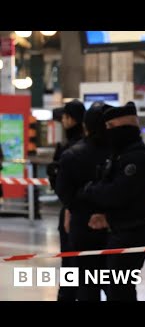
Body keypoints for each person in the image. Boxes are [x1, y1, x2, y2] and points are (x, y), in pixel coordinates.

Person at [78, 102, 145, 301]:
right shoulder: (122, 156)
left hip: (132, 233)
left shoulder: (138, 159)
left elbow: (117, 193)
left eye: (110, 128)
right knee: (117, 289)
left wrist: (91, 191)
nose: (107, 134)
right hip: (120, 229)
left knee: (119, 290)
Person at [55, 103, 112, 301]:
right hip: (113, 224)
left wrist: (72, 208)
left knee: (82, 279)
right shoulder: (118, 152)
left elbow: (63, 190)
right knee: (114, 281)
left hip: (80, 223)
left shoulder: (71, 153)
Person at [48, 99, 85, 301]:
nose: (62, 120)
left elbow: (61, 187)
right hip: (91, 214)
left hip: (72, 212)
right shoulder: (91, 145)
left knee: (70, 265)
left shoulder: (68, 150)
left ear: (71, 119)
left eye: (64, 117)